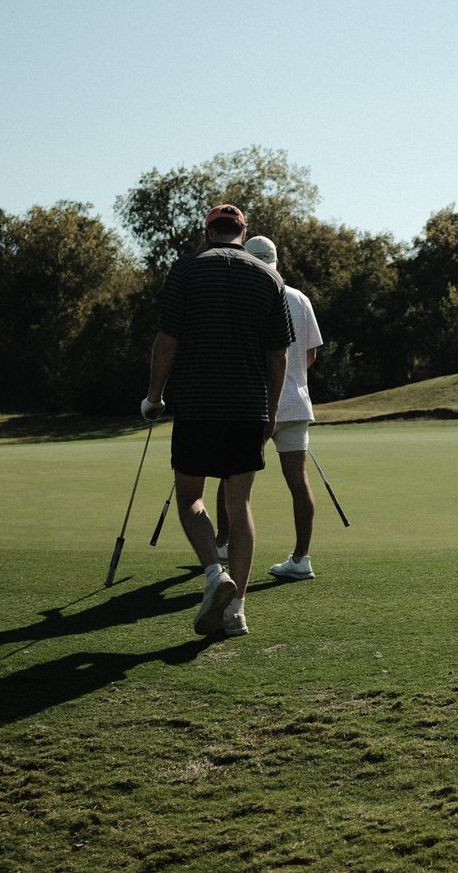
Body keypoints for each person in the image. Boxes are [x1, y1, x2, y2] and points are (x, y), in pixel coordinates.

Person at [142, 204, 293, 638]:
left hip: (197, 403)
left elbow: (166, 340)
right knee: (239, 504)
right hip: (248, 407)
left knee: (191, 497)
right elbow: (278, 355)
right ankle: (237, 611)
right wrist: (272, 411)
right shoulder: (269, 277)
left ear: (208, 232)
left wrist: (154, 397)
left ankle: (213, 573)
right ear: (243, 232)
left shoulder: (187, 269)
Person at [213, 235, 324, 581]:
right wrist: (294, 380)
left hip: (253, 403)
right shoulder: (300, 298)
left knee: (230, 475)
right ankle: (301, 558)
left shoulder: (243, 296)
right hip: (295, 404)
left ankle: (222, 545)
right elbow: (310, 354)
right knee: (298, 480)